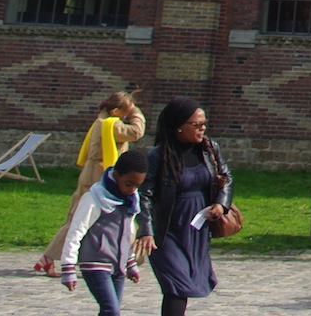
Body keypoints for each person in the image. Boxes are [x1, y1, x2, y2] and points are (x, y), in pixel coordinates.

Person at [136, 96, 233, 316]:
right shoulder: (158, 156)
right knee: (176, 284)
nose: (202, 129)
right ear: (178, 127)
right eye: (196, 124)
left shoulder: (209, 149)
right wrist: (146, 230)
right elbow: (145, 195)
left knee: (184, 284)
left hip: (196, 229)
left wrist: (221, 203)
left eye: (204, 124)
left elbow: (226, 177)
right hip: (167, 229)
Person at [41, 91, 148, 276]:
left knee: (77, 220)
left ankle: (49, 258)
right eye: (125, 112)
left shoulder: (103, 120)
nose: (127, 116)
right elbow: (136, 132)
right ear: (116, 111)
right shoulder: (111, 125)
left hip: (90, 176)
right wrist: (135, 112)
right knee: (89, 221)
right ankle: (125, 260)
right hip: (98, 180)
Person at [60, 147, 148, 316]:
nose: (132, 189)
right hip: (95, 263)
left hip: (119, 266)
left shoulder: (130, 200)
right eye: (129, 183)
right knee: (111, 310)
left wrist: (131, 263)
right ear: (116, 175)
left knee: (112, 311)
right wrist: (68, 267)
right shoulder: (94, 198)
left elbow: (127, 234)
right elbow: (76, 232)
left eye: (137, 185)